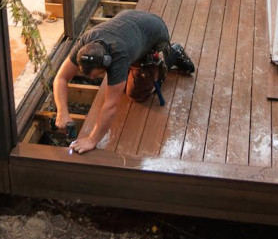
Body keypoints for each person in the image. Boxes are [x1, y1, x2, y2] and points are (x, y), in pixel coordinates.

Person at [53, 9, 195, 154]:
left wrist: (92, 139)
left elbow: (111, 106)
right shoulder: (85, 42)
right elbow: (61, 78)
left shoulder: (119, 55)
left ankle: (172, 54)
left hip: (155, 31)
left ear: (108, 62)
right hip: (130, 23)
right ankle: (136, 66)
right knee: (120, 85)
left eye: (95, 75)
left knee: (136, 93)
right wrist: (62, 112)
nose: (91, 79)